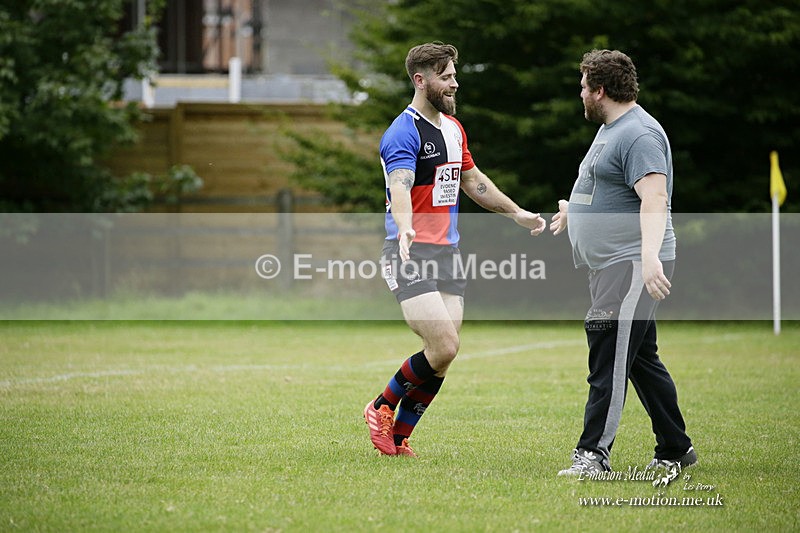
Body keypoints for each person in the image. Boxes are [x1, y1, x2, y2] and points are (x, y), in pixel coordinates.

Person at [364, 42, 546, 457]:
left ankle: (400, 436)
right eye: (445, 77)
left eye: (454, 75)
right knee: (444, 344)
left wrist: (515, 213)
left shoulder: (453, 129)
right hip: (408, 252)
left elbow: (473, 181)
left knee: (444, 354)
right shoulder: (402, 132)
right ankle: (380, 407)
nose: (454, 83)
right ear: (420, 80)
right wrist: (406, 228)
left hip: (447, 253)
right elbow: (400, 186)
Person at [549, 49, 696, 475]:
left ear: (599, 90)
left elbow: (655, 197)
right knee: (641, 361)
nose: (580, 94)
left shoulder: (640, 134)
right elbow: (610, 189)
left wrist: (649, 258)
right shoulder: (612, 129)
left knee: (608, 355)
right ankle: (676, 448)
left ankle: (592, 455)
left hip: (631, 263)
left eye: (583, 87)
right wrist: (576, 210)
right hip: (612, 265)